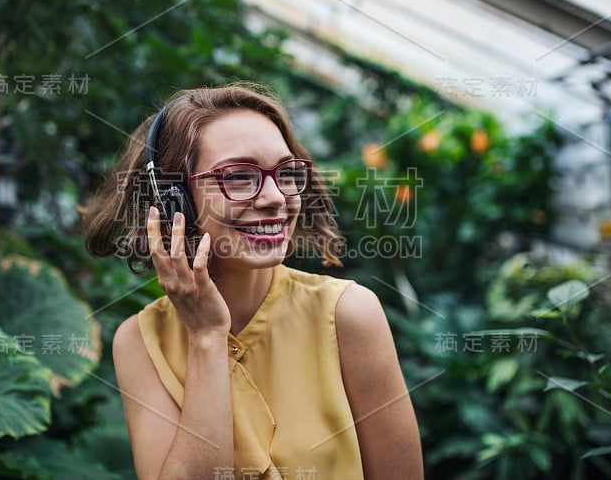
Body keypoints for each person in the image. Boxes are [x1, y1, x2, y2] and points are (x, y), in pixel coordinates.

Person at [81, 82, 423, 479]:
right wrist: (207, 337)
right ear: (174, 198)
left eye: (287, 173)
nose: (276, 196)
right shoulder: (140, 340)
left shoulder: (347, 314)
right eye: (240, 176)